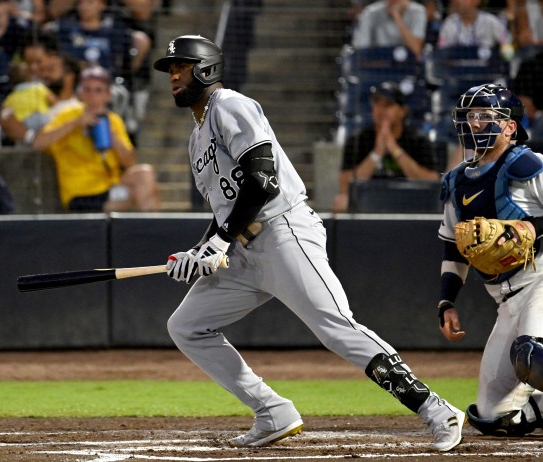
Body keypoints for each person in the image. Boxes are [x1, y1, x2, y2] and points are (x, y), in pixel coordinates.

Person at [154, 34, 464, 452]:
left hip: (283, 232)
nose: (173, 75)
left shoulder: (231, 105)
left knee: (336, 328)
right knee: (187, 326)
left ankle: (435, 408)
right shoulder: (196, 140)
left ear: (206, 69)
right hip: (244, 250)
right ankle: (272, 412)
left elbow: (263, 178)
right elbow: (227, 210)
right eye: (170, 69)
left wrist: (220, 242)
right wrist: (200, 250)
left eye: (182, 66)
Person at [436, 82, 543, 436]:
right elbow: (453, 247)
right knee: (492, 415)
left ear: (510, 127)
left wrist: (531, 228)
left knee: (533, 356)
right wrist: (447, 300)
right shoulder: (455, 182)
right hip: (505, 299)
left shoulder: (529, 164)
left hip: (540, 278)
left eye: (485, 116)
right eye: (469, 116)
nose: (475, 123)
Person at [32, 64, 160, 212]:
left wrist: (111, 135)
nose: (92, 96)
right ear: (80, 94)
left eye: (98, 91)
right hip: (81, 194)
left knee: (145, 174)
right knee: (144, 196)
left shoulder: (113, 120)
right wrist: (76, 123)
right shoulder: (68, 115)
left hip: (110, 188)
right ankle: (152, 233)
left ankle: (149, 231)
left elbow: (131, 163)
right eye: (87, 90)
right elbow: (38, 144)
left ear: (107, 95)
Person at [333, 81, 439, 212]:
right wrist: (377, 153)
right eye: (377, 104)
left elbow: (432, 182)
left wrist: (395, 149)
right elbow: (344, 185)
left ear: (402, 111)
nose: (381, 110)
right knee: (341, 202)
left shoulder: (418, 141)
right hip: (370, 200)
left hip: (409, 200)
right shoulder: (359, 140)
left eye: (388, 105)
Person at [0, 60, 54, 146]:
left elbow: (4, 114)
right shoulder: (39, 88)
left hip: (23, 124)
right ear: (29, 76)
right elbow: (53, 101)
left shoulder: (10, 98)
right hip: (42, 119)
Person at [351, 0, 428, 58]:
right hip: (377, 64)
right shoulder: (370, 13)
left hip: (407, 65)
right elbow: (360, 49)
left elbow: (416, 49)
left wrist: (397, 17)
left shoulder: (418, 12)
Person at [436, 0, 512, 50]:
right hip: (457, 71)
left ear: (477, 1)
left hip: (486, 70)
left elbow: (507, 41)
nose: (461, 2)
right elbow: (442, 50)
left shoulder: (490, 21)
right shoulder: (449, 23)